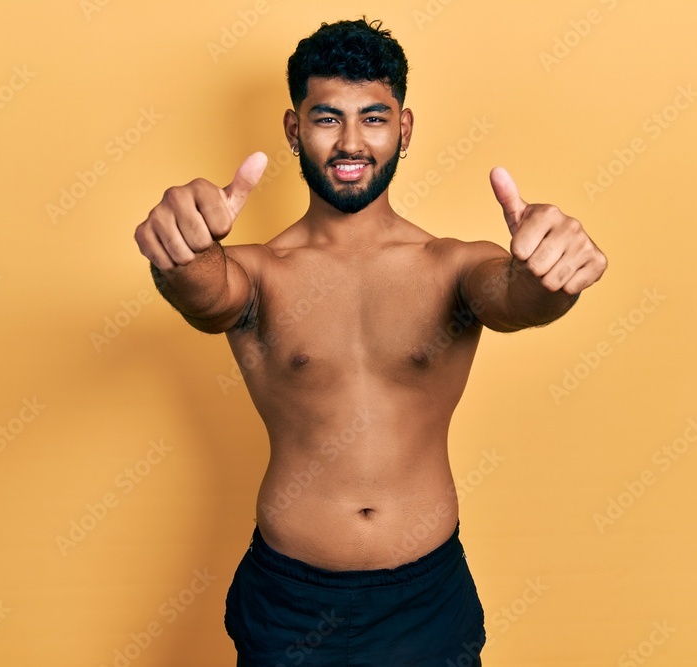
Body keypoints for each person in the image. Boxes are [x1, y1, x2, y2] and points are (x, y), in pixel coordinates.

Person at [133, 17, 606, 667]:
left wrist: (554, 274)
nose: (350, 141)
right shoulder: (261, 271)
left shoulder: (451, 264)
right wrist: (178, 254)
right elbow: (207, 293)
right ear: (294, 130)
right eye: (327, 118)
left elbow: (517, 298)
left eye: (374, 118)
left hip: (425, 598)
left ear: (403, 129)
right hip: (290, 599)